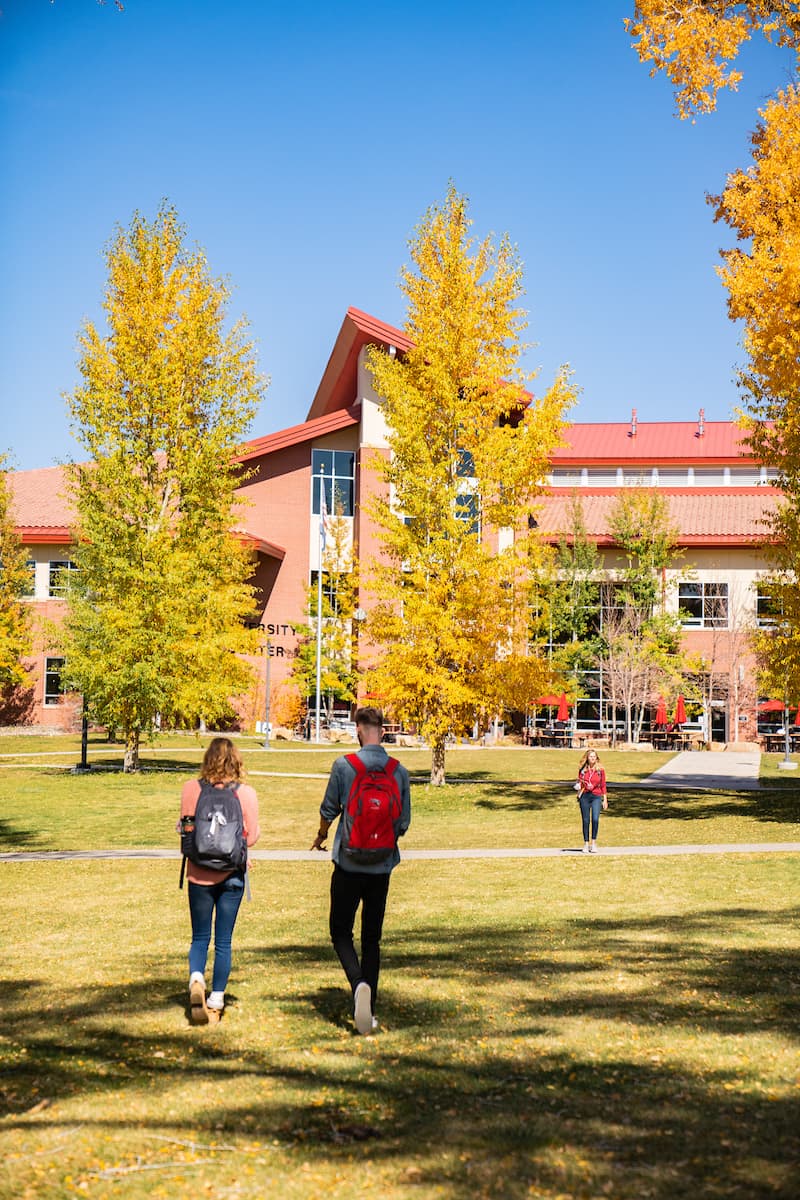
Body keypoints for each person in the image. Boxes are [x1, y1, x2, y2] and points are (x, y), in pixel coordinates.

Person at [310, 706, 411, 1034]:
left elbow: (329, 809)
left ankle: (358, 987)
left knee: (340, 932)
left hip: (348, 862)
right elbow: (404, 823)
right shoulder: (399, 771)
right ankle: (370, 1009)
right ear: (382, 730)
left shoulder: (344, 766)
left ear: (357, 730)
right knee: (372, 939)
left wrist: (322, 835)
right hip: (381, 866)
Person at [179, 737, 260, 1024]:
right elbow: (253, 835)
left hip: (198, 872)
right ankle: (216, 998)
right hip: (233, 874)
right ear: (236, 761)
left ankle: (196, 977)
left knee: (200, 936)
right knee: (224, 940)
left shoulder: (191, 789)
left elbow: (184, 828)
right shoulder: (246, 793)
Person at [576, 747, 608, 854]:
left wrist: (605, 799)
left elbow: (603, 785)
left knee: (595, 819)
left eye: (594, 756)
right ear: (587, 758)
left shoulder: (600, 770)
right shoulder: (582, 770)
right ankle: (586, 843)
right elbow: (579, 782)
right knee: (586, 820)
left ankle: (593, 843)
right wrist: (578, 787)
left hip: (596, 796)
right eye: (591, 756)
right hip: (585, 796)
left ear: (596, 758)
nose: (593, 758)